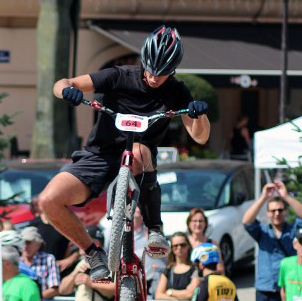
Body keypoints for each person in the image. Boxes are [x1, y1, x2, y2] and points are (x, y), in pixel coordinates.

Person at [40, 26, 210, 282]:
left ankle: (154, 228)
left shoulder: (177, 91)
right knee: (48, 201)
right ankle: (92, 253)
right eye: (151, 70)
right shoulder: (119, 75)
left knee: (140, 149)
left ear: (172, 71)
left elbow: (200, 136)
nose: (154, 77)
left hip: (140, 160)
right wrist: (67, 91)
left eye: (162, 74)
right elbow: (64, 83)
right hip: (98, 155)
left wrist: (198, 114)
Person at [242, 180, 302, 301]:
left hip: (289, 286)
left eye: (280, 210)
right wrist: (263, 198)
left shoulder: (293, 231)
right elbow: (247, 221)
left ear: (285, 212)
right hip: (265, 288)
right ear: (268, 213)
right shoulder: (262, 231)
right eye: (273, 211)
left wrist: (285, 196)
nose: (276, 214)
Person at [59, 225, 116, 301]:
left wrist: (91, 283)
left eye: (82, 241)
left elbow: (116, 289)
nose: (78, 243)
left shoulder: (109, 264)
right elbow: (63, 290)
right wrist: (75, 273)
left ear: (96, 243)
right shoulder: (80, 263)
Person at [29, 198, 79, 277]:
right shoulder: (34, 224)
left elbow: (80, 247)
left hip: (60, 271)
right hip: (39, 270)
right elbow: (26, 247)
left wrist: (68, 260)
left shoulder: (65, 223)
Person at [155, 232, 201, 301]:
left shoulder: (195, 269)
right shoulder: (167, 270)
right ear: (172, 248)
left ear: (188, 246)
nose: (179, 248)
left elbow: (190, 294)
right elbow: (158, 296)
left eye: (183, 245)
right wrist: (176, 300)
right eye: (175, 246)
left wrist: (170, 292)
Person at [20, 226, 60, 300]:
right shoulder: (17, 261)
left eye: (28, 243)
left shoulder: (48, 259)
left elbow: (54, 289)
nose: (25, 246)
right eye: (23, 243)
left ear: (38, 245)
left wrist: (33, 298)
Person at [186, 207, 225, 275]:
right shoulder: (183, 243)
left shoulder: (213, 244)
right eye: (194, 221)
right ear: (189, 223)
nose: (198, 224)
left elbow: (221, 269)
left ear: (205, 223)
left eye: (200, 221)